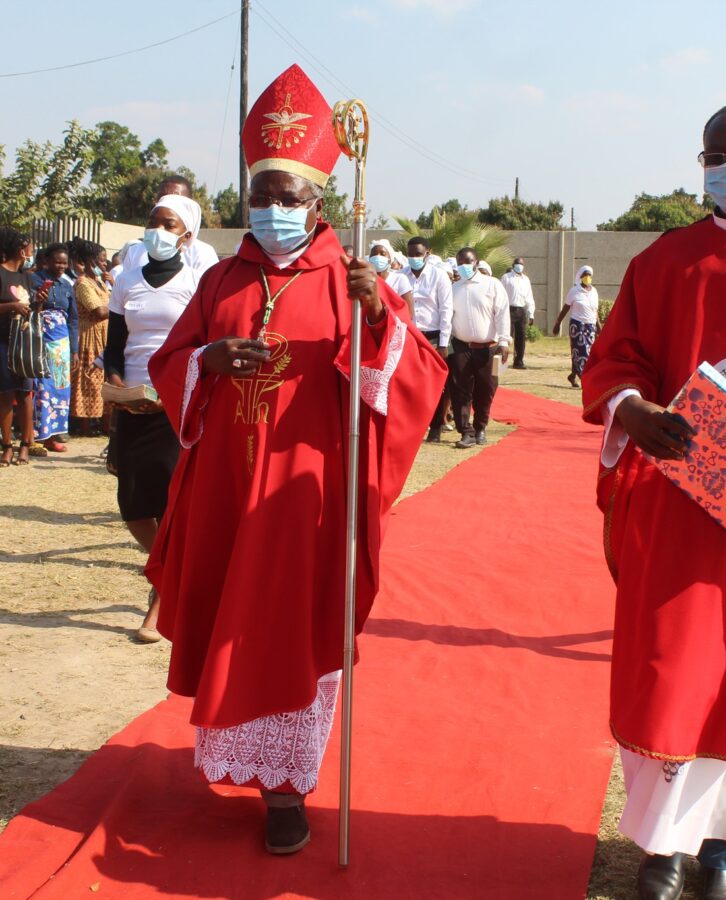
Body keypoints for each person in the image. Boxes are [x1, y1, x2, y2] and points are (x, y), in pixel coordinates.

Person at [144, 64, 447, 855]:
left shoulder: (352, 283)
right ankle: (236, 763)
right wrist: (207, 361)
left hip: (303, 494)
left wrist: (378, 315)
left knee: (288, 631)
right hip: (227, 486)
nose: (274, 210)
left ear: (319, 203)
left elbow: (406, 383)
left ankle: (287, 790)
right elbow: (171, 365)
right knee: (229, 623)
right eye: (262, 195)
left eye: (290, 197)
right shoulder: (220, 278)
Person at [582, 103, 726, 900]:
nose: (723, 169)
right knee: (673, 669)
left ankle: (724, 855)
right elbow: (613, 362)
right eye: (711, 156)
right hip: (679, 501)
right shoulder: (666, 260)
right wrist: (633, 411)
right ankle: (662, 851)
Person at [106, 194, 203, 644]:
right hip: (132, 400)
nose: (157, 231)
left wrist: (179, 388)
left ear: (186, 234)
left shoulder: (196, 279)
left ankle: (160, 596)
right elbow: (115, 341)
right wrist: (114, 386)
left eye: (168, 224)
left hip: (176, 400)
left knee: (167, 499)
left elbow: (204, 342)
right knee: (131, 505)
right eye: (152, 221)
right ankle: (172, 571)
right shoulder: (126, 278)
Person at [449, 246, 510, 448]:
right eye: (460, 262)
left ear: (476, 261)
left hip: (488, 348)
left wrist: (504, 342)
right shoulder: (454, 288)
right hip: (461, 347)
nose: (464, 266)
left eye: (468, 261)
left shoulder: (492, 285)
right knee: (460, 389)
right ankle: (466, 431)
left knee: (487, 389)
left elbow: (502, 314)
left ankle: (480, 427)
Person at [402, 235, 452, 442]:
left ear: (427, 254)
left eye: (418, 254)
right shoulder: (401, 275)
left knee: (437, 384)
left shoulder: (439, 276)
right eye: (411, 254)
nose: (414, 258)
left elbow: (446, 309)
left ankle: (436, 426)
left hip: (433, 335)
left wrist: (443, 342)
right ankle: (414, 426)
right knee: (411, 383)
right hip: (410, 335)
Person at [30, 243, 79, 452]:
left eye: (64, 262)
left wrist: (75, 350)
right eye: (57, 262)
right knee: (40, 388)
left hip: (61, 344)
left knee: (59, 388)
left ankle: (52, 436)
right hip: (39, 338)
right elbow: (31, 308)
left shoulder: (67, 285)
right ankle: (33, 437)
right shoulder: (33, 280)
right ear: (47, 261)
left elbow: (73, 320)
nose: (61, 265)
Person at [123, 175, 219, 276]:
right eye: (162, 198)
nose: (166, 203)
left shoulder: (203, 254)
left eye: (174, 199)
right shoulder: (134, 252)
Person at [0, 227, 37, 466]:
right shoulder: (1, 274)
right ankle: (7, 446)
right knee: (5, 394)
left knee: (25, 394)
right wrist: (12, 307)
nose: (32, 250)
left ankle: (25, 444)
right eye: (30, 246)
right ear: (21, 249)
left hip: (23, 343)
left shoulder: (27, 277)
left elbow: (32, 310)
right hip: (2, 342)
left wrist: (39, 303)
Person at [70, 240, 110, 436]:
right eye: (101, 260)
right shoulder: (83, 283)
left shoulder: (101, 282)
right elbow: (99, 311)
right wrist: (120, 309)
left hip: (104, 334)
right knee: (89, 379)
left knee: (105, 380)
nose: (105, 264)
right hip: (89, 336)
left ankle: (104, 424)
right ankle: (85, 425)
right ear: (88, 260)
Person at [553, 265, 599, 388]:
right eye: (585, 275)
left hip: (590, 327)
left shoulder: (594, 291)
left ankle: (573, 375)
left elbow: (595, 312)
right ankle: (585, 379)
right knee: (583, 353)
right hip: (577, 326)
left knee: (579, 353)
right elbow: (565, 309)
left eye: (589, 275)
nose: (587, 277)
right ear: (580, 276)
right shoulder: (574, 291)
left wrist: (599, 328)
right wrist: (557, 323)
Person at [501, 257, 535, 369]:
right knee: (507, 336)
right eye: (517, 264)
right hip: (509, 310)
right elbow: (501, 294)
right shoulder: (506, 278)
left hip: (521, 310)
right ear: (513, 265)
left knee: (521, 337)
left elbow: (529, 297)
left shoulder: (526, 280)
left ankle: (518, 361)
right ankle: (502, 360)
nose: (519, 266)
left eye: (521, 264)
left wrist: (531, 314)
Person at [368, 239, 413, 317]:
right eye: (374, 254)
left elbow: (409, 313)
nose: (378, 257)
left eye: (382, 254)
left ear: (389, 259)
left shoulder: (399, 279)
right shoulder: (366, 281)